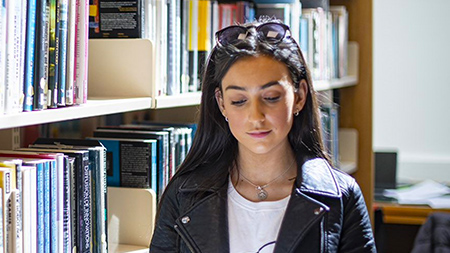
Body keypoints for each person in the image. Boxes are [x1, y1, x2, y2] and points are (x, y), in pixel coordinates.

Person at [150, 18, 376, 253]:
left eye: (271, 97)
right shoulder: (183, 195)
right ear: (221, 104)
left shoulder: (341, 196)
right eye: (239, 101)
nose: (256, 117)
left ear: (299, 97)